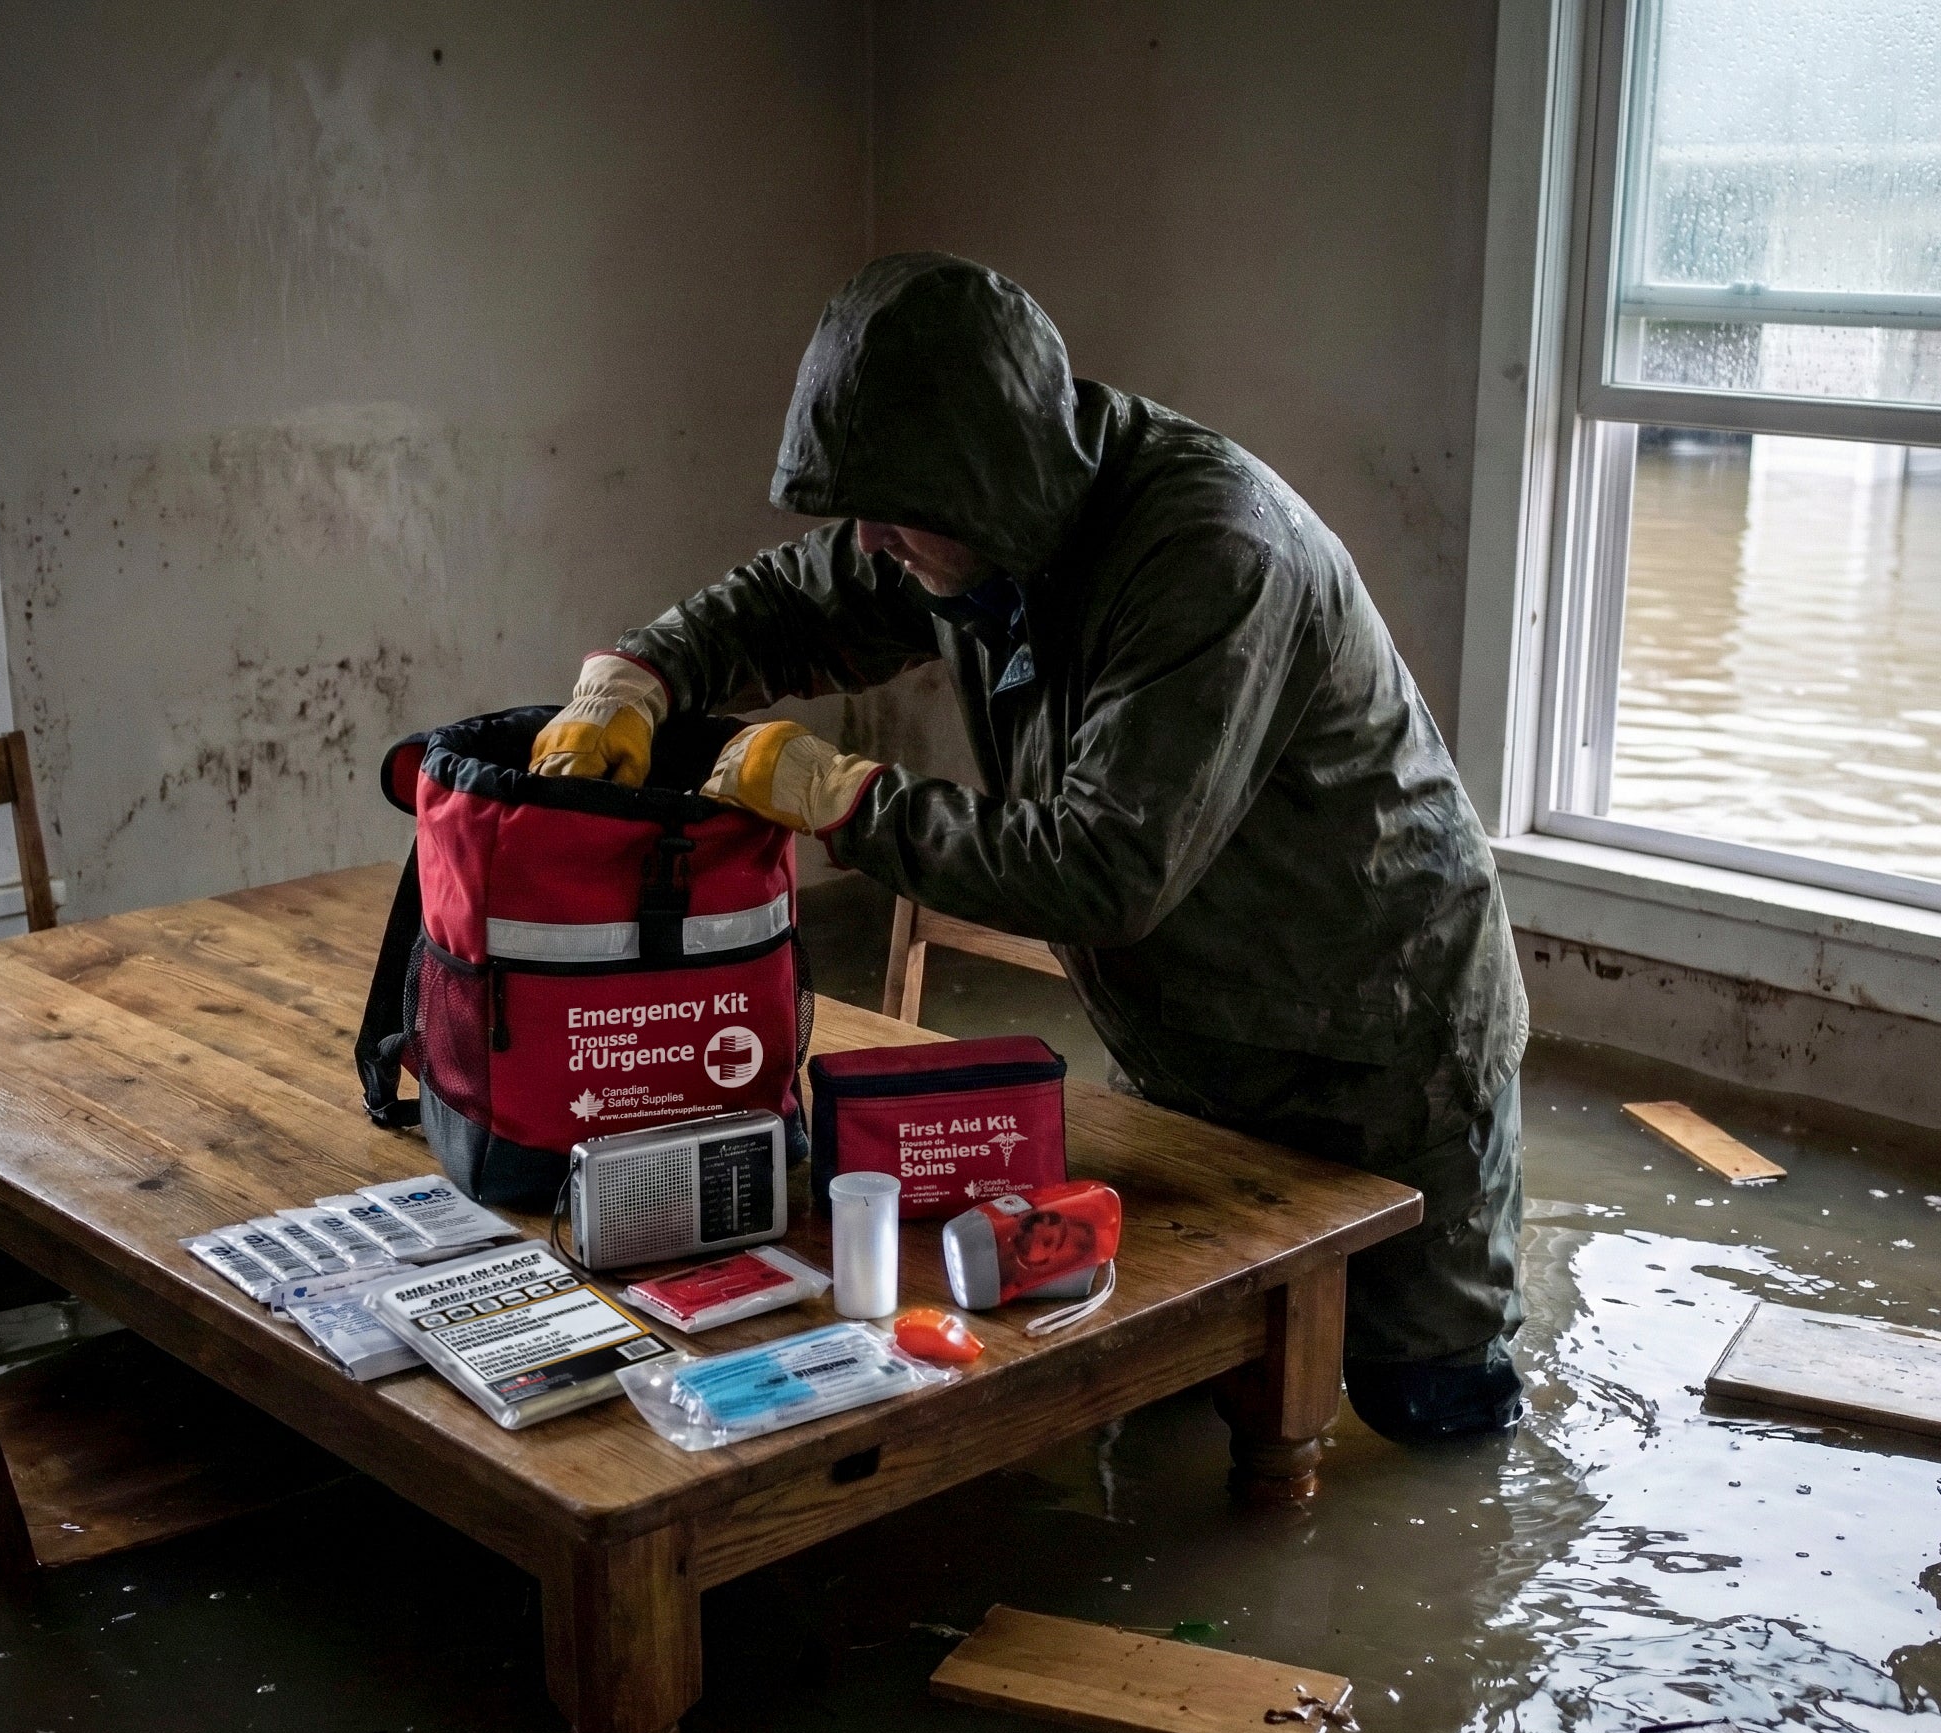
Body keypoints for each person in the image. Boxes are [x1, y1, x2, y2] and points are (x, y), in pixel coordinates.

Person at [531, 252, 1527, 1443]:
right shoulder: (964, 530)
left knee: (1426, 1409)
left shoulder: (1212, 554)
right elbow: (792, 599)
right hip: (1188, 1038)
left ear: (983, 483)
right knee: (1184, 1379)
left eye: (891, 513)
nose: (869, 540)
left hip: (1380, 1041)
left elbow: (1103, 870)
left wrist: (843, 799)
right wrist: (635, 673)